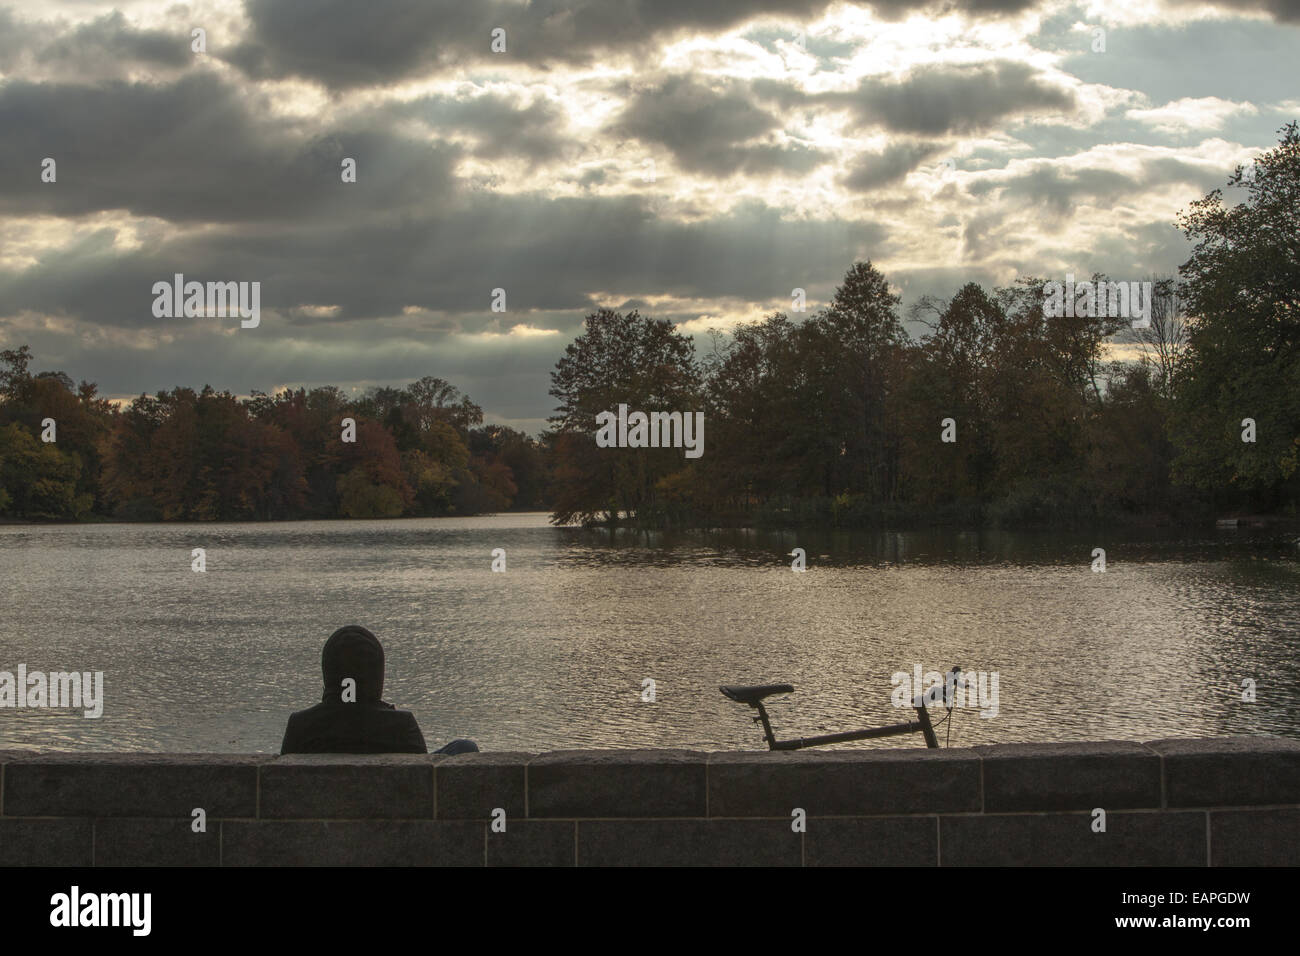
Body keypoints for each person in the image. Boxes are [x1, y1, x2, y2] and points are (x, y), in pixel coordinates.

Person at [280, 624, 479, 755]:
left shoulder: (301, 725)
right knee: (465, 748)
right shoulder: (401, 725)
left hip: (320, 810)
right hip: (398, 810)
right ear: (377, 677)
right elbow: (423, 780)